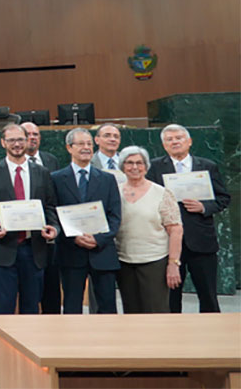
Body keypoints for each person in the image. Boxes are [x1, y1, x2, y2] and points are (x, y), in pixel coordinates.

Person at [145, 124, 230, 313]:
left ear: (189, 141)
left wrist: (204, 207)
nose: (174, 142)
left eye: (179, 138)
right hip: (168, 243)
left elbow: (223, 198)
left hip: (202, 241)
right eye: (169, 139)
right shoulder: (154, 167)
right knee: (170, 298)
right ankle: (172, 331)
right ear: (164, 145)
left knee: (208, 296)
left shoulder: (207, 166)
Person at [0, 123, 59, 317]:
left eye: (21, 139)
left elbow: (50, 206)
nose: (17, 144)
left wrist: (54, 228)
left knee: (31, 308)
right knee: (4, 308)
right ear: (3, 142)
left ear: (27, 141)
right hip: (3, 249)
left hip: (34, 249)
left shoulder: (42, 172)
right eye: (12, 140)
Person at [52, 128, 121, 314]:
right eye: (81, 144)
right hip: (71, 252)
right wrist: (73, 238)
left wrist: (99, 239)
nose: (86, 148)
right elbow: (53, 214)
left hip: (102, 252)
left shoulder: (107, 179)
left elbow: (115, 216)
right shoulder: (56, 179)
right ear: (69, 148)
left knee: (107, 307)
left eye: (89, 144)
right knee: (72, 306)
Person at [116, 146, 183, 313]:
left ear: (146, 167)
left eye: (139, 163)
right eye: (129, 163)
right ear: (122, 167)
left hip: (155, 262)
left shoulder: (162, 193)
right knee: (131, 312)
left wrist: (173, 264)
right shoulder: (115, 192)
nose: (134, 167)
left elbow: (175, 230)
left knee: (156, 311)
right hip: (124, 261)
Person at [22, 121, 61, 315]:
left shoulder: (50, 160)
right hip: (24, 237)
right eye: (27, 134)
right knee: (29, 292)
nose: (32, 137)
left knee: (51, 289)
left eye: (36, 134)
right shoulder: (9, 165)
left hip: (49, 235)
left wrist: (54, 226)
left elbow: (54, 198)